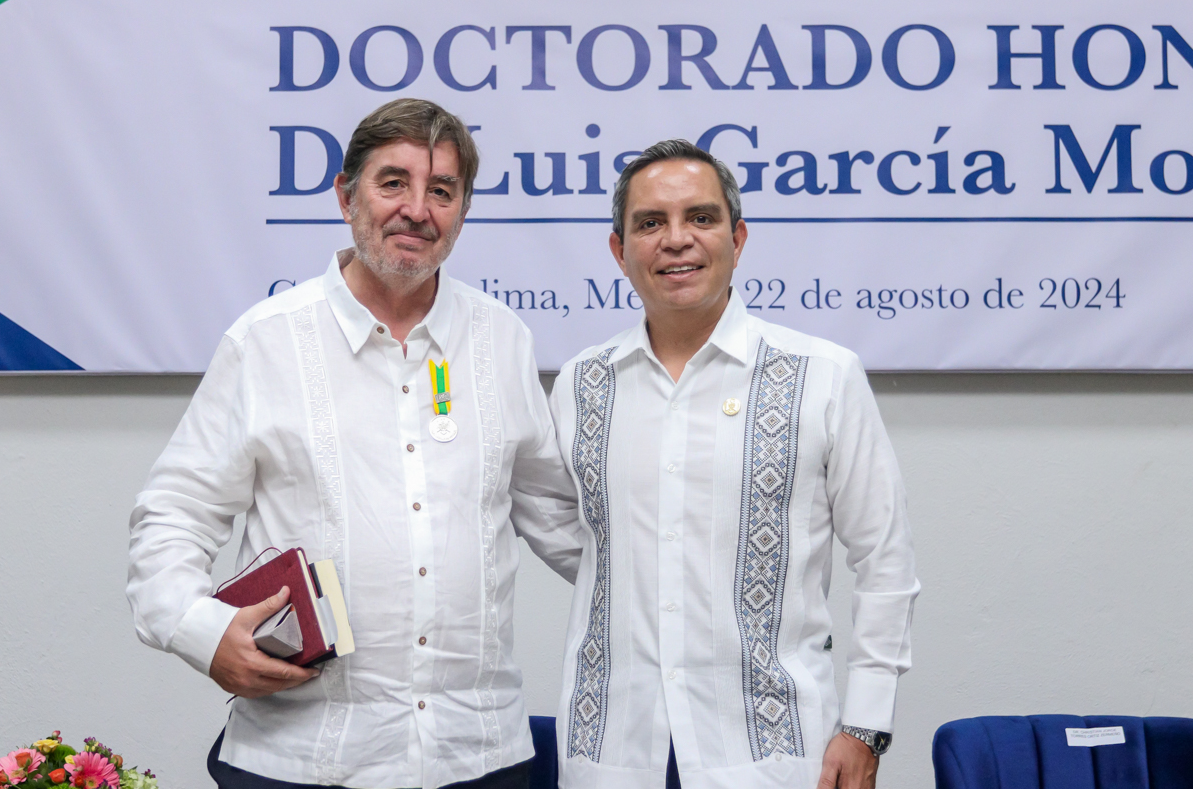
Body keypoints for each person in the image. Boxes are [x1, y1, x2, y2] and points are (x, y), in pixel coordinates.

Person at [126, 98, 581, 789]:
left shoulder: (502, 339)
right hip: (302, 758)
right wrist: (202, 632)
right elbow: (173, 515)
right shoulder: (267, 341)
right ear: (346, 196)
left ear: (461, 211)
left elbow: (558, 514)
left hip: (478, 754)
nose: (417, 209)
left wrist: (678, 577)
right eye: (392, 182)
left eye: (442, 191)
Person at [548, 140, 920, 789]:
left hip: (772, 753)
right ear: (619, 250)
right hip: (613, 749)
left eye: (700, 217)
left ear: (737, 237)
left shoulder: (823, 377)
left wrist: (865, 723)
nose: (676, 240)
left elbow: (885, 559)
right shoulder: (582, 384)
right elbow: (564, 528)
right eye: (650, 223)